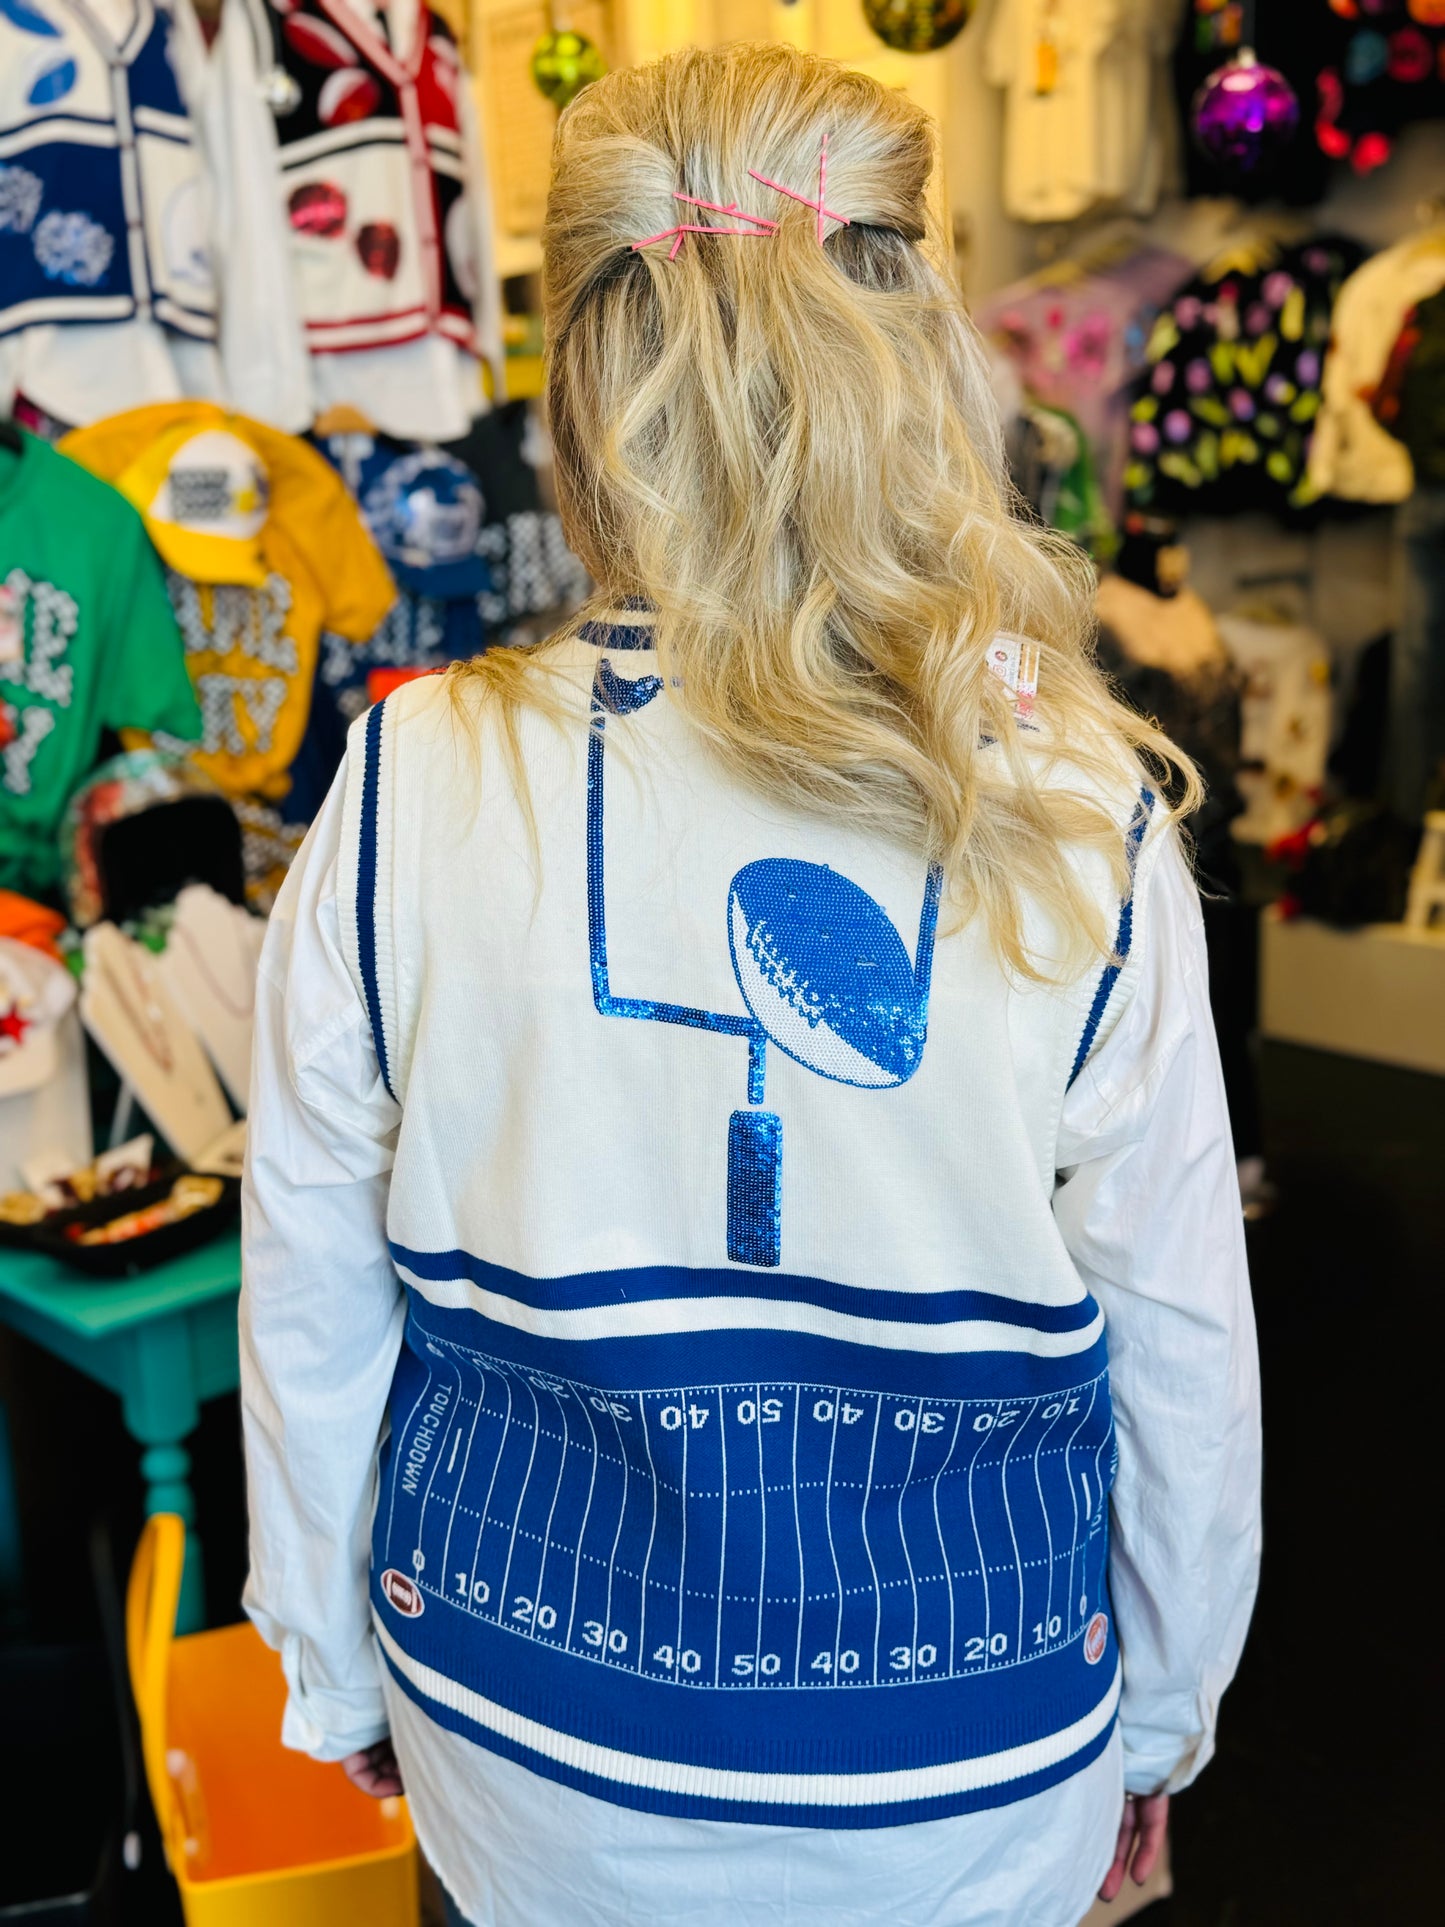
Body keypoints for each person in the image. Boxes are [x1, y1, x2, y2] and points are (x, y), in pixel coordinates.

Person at [240, 44, 1261, 1927]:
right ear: (916, 339)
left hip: (526, 1758)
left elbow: (314, 1289)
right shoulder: (1073, 806)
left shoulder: (411, 780)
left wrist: (324, 1656)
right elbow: (1180, 1350)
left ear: (582, 375)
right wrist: (1160, 1723)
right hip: (967, 1784)